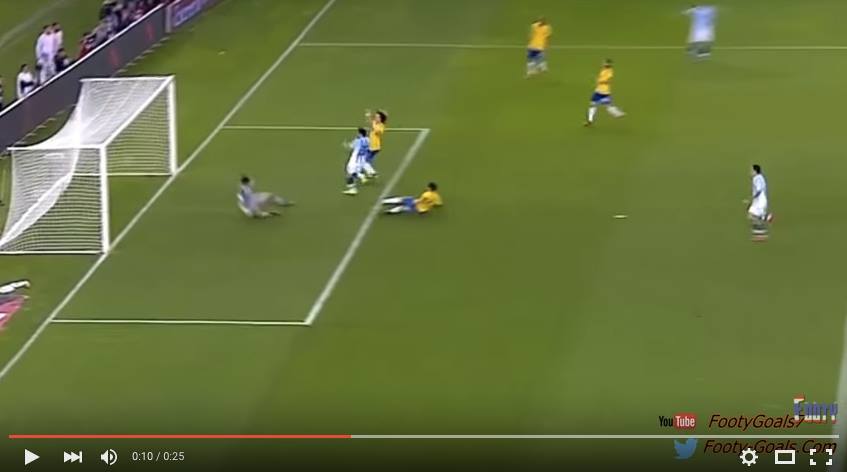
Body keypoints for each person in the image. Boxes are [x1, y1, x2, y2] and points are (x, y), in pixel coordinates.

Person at [584, 59, 625, 126]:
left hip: (603, 91)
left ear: (607, 64)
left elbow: (607, 80)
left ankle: (617, 113)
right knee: (594, 105)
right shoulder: (604, 70)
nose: (603, 64)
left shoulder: (609, 72)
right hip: (600, 91)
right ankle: (590, 121)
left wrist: (599, 81)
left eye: (604, 63)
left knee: (601, 105)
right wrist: (599, 80)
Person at [745, 164, 773, 241]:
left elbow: (759, 190)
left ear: (755, 171)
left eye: (751, 170)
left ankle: (761, 234)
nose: (750, 172)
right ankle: (765, 218)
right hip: (757, 201)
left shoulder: (757, 178)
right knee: (751, 215)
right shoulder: (760, 177)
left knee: (752, 216)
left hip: (760, 201)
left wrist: (751, 198)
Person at [343, 128, 370, 196]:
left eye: (358, 133)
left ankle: (352, 189)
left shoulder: (357, 141)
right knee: (354, 172)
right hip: (362, 160)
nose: (357, 134)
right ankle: (362, 176)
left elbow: (350, 147)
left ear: (360, 134)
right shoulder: (368, 140)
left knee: (349, 173)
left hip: (355, 160)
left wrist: (345, 144)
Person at [364, 109, 386, 179]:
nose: (375, 118)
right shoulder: (375, 123)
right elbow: (369, 121)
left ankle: (373, 173)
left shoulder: (381, 125)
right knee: (367, 161)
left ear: (381, 119)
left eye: (377, 117)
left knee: (364, 161)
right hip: (371, 146)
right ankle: (370, 173)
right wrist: (368, 115)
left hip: (374, 147)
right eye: (375, 117)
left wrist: (373, 124)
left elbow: (378, 131)